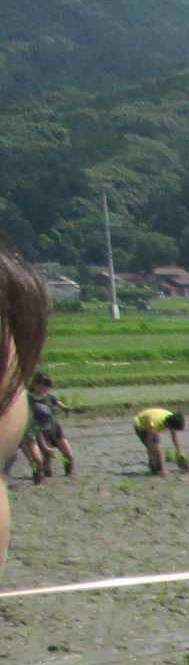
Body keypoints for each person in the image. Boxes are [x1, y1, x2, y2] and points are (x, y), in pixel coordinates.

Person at [0, 238, 51, 569]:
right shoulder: (28, 408)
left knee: (41, 454)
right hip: (36, 431)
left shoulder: (47, 400)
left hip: (42, 430)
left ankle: (41, 473)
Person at [133, 407, 188, 474]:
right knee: (157, 452)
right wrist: (152, 455)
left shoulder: (172, 418)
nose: (174, 430)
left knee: (156, 451)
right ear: (170, 426)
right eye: (174, 429)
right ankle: (160, 470)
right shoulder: (155, 424)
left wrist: (180, 452)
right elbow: (149, 441)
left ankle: (157, 468)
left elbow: (174, 437)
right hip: (140, 424)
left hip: (151, 421)